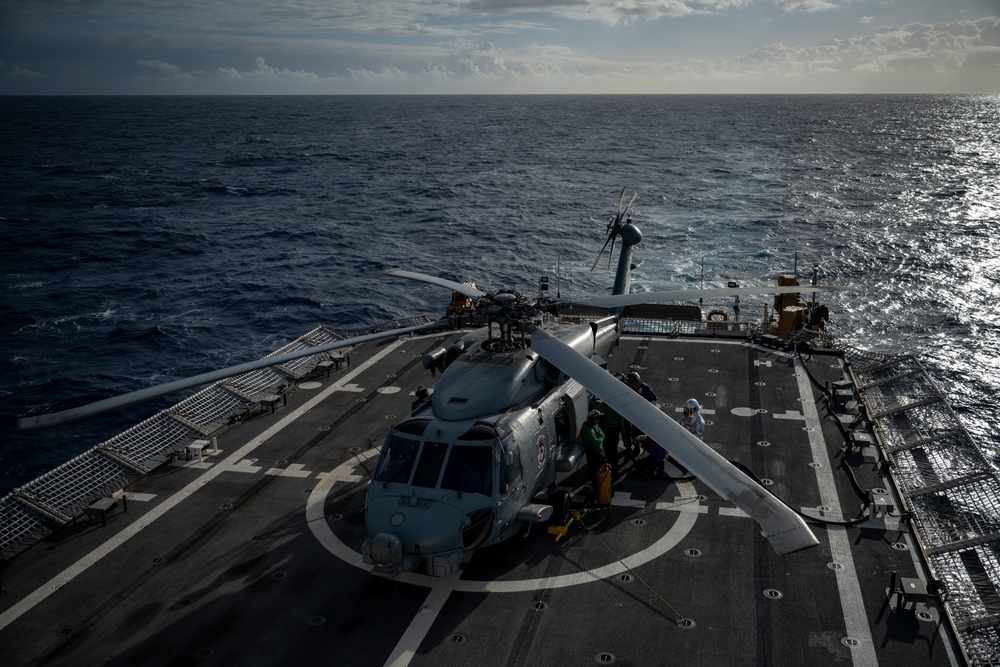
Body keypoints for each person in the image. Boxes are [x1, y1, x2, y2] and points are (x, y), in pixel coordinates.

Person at [624, 371, 657, 457]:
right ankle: (636, 448)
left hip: (644, 415)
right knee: (634, 432)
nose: (631, 384)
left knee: (642, 433)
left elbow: (653, 399)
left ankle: (646, 449)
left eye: (632, 382)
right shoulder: (629, 386)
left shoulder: (645, 388)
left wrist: (649, 412)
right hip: (635, 414)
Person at [596, 399, 624, 480]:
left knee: (607, 448)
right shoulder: (618, 405)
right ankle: (615, 469)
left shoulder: (606, 404)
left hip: (607, 429)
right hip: (615, 429)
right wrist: (623, 429)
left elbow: (599, 408)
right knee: (614, 449)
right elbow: (621, 419)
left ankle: (609, 466)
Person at [580, 409, 606, 493]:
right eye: (597, 418)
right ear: (592, 419)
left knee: (601, 471)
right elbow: (597, 441)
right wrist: (600, 438)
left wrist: (600, 437)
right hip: (592, 454)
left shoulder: (594, 425)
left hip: (598, 453)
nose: (598, 421)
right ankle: (597, 490)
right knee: (595, 473)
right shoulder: (586, 430)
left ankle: (601, 488)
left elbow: (602, 434)